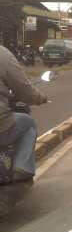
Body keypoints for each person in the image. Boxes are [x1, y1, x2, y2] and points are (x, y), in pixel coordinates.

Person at [0, 46, 47, 182]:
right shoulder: (3, 55)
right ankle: (22, 169)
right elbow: (24, 89)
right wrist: (40, 98)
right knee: (28, 124)